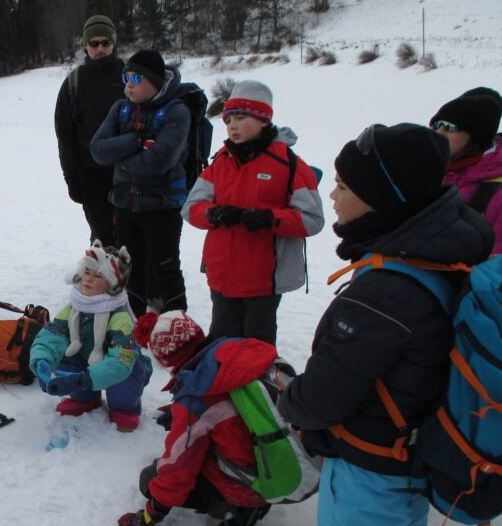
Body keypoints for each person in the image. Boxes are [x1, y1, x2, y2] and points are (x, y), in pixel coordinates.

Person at [277, 124, 492, 526]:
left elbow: (321, 400)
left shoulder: (383, 291)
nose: (332, 194)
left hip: (370, 471)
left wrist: (288, 398)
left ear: (384, 199)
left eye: (345, 184)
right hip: (415, 458)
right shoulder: (444, 253)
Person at [182, 80, 324, 345]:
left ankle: (260, 386)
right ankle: (222, 386)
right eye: (228, 120)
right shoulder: (220, 162)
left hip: (263, 280)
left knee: (257, 346)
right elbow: (191, 209)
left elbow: (312, 219)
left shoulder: (289, 164)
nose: (232, 125)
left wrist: (269, 219)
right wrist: (213, 214)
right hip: (222, 276)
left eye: (241, 117)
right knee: (221, 344)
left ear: (263, 120)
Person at [118, 310, 276, 526]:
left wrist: (150, 514)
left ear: (165, 359)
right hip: (270, 453)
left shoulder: (196, 400)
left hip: (252, 479)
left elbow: (179, 468)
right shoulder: (233, 352)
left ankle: (241, 507)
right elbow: (228, 403)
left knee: (151, 478)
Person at [90, 49, 190, 316]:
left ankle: (178, 330)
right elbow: (98, 149)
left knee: (165, 269)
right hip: (125, 204)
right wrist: (135, 143)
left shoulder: (177, 111)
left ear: (155, 81)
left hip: (162, 206)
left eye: (136, 78)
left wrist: (119, 156)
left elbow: (160, 160)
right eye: (126, 78)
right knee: (130, 269)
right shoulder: (120, 108)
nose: (129, 85)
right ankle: (132, 326)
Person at [27, 241, 151, 432]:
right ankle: (85, 398)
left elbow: (120, 362)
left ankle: (124, 409)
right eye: (87, 272)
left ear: (112, 284)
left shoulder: (119, 317)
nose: (89, 279)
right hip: (86, 363)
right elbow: (52, 335)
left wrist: (82, 380)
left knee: (126, 377)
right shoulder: (74, 308)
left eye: (98, 275)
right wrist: (42, 360)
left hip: (118, 369)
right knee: (65, 352)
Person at [54, 14, 125, 246]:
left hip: (128, 166)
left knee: (130, 229)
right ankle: (103, 274)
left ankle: (133, 277)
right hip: (89, 169)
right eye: (94, 43)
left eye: (105, 42)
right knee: (101, 229)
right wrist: (71, 176)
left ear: (114, 43)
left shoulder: (131, 77)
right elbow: (64, 135)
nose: (100, 48)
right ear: (86, 46)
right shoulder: (74, 82)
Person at [430, 88, 502, 253]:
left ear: (476, 136)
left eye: (450, 127)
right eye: (436, 125)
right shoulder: (429, 172)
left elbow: (496, 267)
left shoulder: (497, 195)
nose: (439, 133)